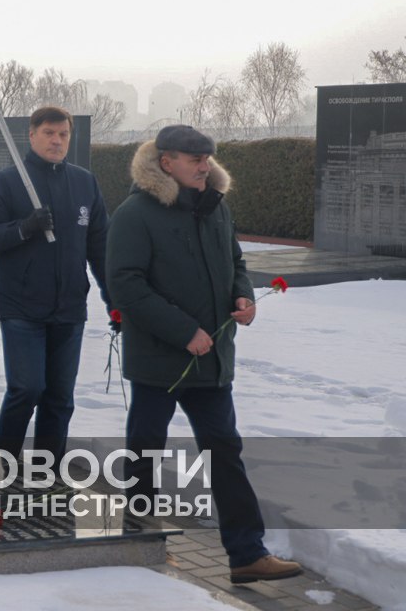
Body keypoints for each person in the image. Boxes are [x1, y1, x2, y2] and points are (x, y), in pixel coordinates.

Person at [106, 124, 302, 584]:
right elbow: (126, 285)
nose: (204, 166)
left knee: (225, 451)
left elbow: (236, 262)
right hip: (159, 361)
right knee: (145, 452)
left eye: (207, 158)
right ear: (166, 162)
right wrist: (183, 331)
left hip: (211, 361)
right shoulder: (135, 213)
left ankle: (247, 554)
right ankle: (137, 542)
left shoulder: (216, 206)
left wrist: (242, 296)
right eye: (195, 159)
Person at [0, 106, 111, 461]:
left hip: (69, 307)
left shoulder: (84, 182)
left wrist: (115, 300)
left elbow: (100, 247)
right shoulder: (7, 182)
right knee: (27, 388)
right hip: (22, 307)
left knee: (60, 397)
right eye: (49, 133)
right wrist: (24, 228)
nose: (57, 140)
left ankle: (47, 471)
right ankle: (3, 463)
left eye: (63, 134)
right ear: (32, 135)